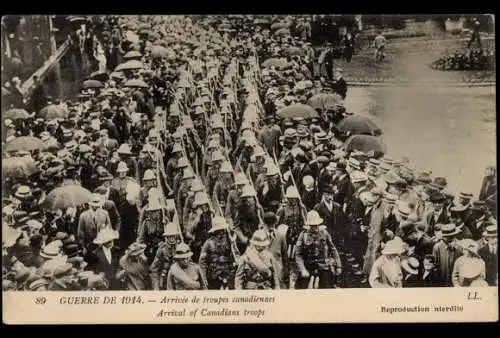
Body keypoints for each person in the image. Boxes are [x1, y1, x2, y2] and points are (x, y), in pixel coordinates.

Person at [295, 210, 342, 289]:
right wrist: (302, 269)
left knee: (327, 288)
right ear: (309, 225)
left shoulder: (324, 233)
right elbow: (298, 254)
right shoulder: (303, 235)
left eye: (316, 225)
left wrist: (339, 266)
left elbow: (333, 249)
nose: (315, 227)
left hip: (323, 267)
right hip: (308, 267)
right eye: (313, 225)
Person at [198, 216, 238, 290]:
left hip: (229, 274)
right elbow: (202, 262)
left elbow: (236, 255)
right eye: (219, 230)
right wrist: (203, 277)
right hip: (214, 276)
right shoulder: (208, 243)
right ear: (215, 231)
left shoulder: (230, 241)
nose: (221, 232)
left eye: (223, 230)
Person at [150, 222, 182, 290]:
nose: (172, 238)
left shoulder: (181, 247)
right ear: (167, 237)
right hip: (166, 279)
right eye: (170, 236)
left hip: (179, 278)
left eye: (174, 236)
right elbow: (154, 269)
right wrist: (156, 286)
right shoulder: (162, 250)